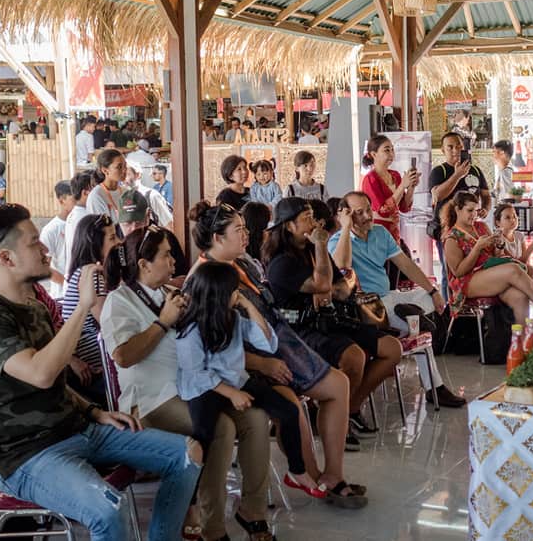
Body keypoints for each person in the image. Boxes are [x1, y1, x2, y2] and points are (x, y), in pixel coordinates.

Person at [0, 204, 201, 540]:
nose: (46, 249)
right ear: (7, 258)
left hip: (76, 429)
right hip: (26, 456)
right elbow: (40, 374)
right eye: (34, 243)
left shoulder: (35, 307)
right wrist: (84, 305)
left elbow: (55, 381)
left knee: (187, 454)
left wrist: (94, 411)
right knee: (108, 507)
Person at [101, 227, 275, 540]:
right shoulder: (120, 301)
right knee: (222, 428)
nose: (174, 261)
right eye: (167, 254)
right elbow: (123, 356)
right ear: (144, 264)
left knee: (257, 418)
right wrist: (163, 322)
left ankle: (253, 510)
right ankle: (213, 528)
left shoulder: (173, 292)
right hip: (153, 399)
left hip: (198, 387)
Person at [189, 202, 368, 500]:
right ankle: (311, 477)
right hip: (248, 361)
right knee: (292, 407)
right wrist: (260, 362)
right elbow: (208, 345)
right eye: (238, 230)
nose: (247, 235)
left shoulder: (241, 261)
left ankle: (333, 474)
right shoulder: (206, 278)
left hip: (278, 339)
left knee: (338, 384)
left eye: (246, 228)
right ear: (218, 238)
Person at [176, 263, 329, 506]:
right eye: (233, 290)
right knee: (203, 434)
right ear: (218, 294)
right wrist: (232, 394)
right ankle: (190, 496)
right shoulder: (191, 329)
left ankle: (297, 471)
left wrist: (247, 305)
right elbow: (196, 374)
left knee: (288, 410)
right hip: (206, 388)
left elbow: (266, 341)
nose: (237, 294)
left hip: (236, 379)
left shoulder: (234, 317)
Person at [264, 198, 401, 437]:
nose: (314, 223)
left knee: (392, 348)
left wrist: (327, 290)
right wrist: (321, 253)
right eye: (306, 218)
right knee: (354, 357)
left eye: (313, 217)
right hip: (301, 330)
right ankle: (332, 417)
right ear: (288, 226)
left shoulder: (312, 251)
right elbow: (324, 282)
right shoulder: (281, 263)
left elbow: (343, 284)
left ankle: (349, 408)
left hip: (331, 320)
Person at [329, 192, 465, 408]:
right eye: (358, 213)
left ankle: (414, 319)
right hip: (366, 307)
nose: (367, 216)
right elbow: (341, 268)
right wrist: (345, 228)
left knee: (426, 297)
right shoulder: (338, 240)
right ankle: (434, 384)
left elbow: (407, 265)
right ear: (344, 214)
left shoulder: (380, 233)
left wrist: (433, 292)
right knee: (414, 322)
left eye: (368, 209)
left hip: (390, 298)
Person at [443, 191, 533, 321]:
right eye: (470, 210)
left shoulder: (481, 227)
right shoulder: (452, 237)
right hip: (467, 282)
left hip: (490, 274)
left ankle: (522, 338)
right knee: (514, 269)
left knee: (520, 296)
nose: (474, 214)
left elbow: (495, 255)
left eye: (476, 210)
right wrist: (477, 248)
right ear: (457, 210)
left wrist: (499, 245)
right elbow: (458, 272)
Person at [62, 214, 119, 404]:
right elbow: (110, 322)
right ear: (95, 244)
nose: (119, 242)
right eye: (112, 238)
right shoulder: (91, 274)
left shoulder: (89, 272)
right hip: (95, 372)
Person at [429, 132, 491, 299]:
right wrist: (457, 175)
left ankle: (471, 307)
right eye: (450, 147)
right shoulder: (439, 171)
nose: (455, 150)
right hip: (448, 231)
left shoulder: (476, 170)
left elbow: (486, 195)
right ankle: (449, 310)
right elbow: (438, 195)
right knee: (449, 272)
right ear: (443, 150)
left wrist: (485, 208)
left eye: (458, 146)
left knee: (476, 267)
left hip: (472, 229)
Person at [118, 190, 189, 284]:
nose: (133, 229)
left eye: (139, 222)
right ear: (117, 216)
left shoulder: (165, 238)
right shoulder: (112, 239)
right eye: (127, 224)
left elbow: (184, 279)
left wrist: (159, 285)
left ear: (148, 215)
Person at [361, 135, 418, 243]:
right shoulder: (370, 179)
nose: (391, 154)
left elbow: (404, 207)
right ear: (374, 154)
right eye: (387, 150)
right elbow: (383, 210)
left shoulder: (395, 175)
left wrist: (411, 187)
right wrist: (402, 186)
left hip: (394, 231)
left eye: (392, 150)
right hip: (378, 231)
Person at [40, 181, 74, 299]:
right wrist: (68, 284)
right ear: (61, 201)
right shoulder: (51, 230)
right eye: (74, 198)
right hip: (62, 295)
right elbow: (43, 266)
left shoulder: (81, 223)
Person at [124, 160, 173, 231]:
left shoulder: (152, 195)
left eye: (127, 174)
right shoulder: (123, 198)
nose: (123, 178)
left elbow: (169, 225)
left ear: (138, 175)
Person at [64, 171, 95, 275]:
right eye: (95, 189)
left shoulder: (76, 214)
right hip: (82, 276)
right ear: (85, 192)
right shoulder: (85, 217)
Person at [86, 148, 127, 223]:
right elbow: (102, 228)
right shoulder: (96, 196)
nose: (124, 170)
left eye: (125, 166)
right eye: (119, 167)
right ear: (105, 170)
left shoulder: (126, 191)